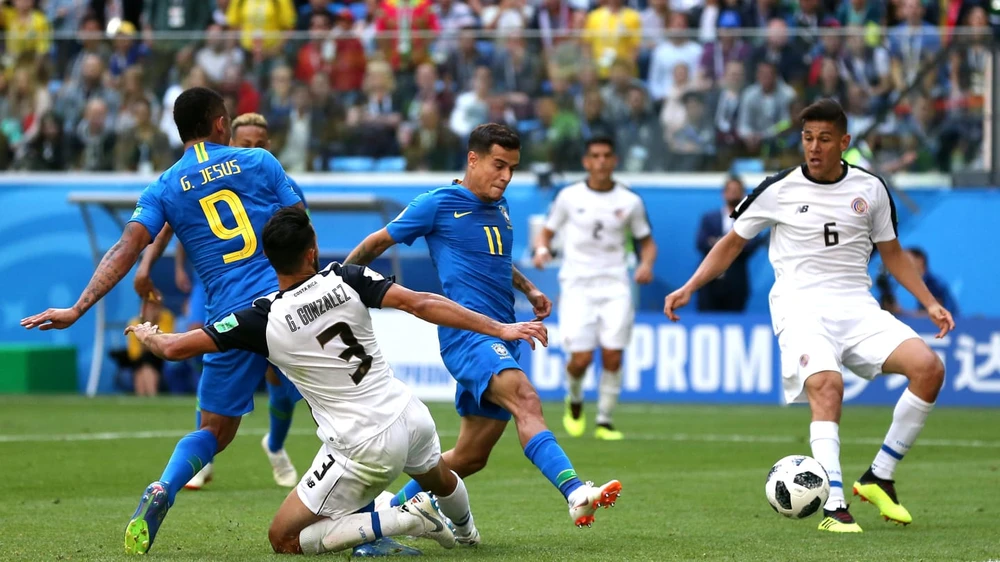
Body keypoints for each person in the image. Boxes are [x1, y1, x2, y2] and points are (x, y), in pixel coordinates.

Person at [123, 207, 550, 554]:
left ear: (269, 259)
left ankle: (403, 519)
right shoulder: (347, 277)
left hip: (362, 446)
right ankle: (468, 533)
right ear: (312, 251)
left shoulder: (260, 318)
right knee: (439, 476)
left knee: (283, 537)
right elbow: (421, 303)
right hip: (410, 414)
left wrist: (148, 333)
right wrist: (500, 328)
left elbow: (176, 348)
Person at [22, 86, 306, 555]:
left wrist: (77, 308)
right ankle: (364, 524)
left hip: (227, 318)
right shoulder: (260, 162)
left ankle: (164, 487)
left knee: (213, 431)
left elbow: (125, 248)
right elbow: (299, 226)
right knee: (343, 410)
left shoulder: (165, 186)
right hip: (284, 302)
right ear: (221, 124)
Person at [663, 99, 954, 533]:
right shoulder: (777, 189)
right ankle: (834, 505)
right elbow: (731, 243)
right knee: (827, 385)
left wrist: (928, 302)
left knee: (929, 368)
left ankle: (879, 476)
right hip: (800, 307)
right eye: (808, 138)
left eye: (824, 139)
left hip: (857, 308)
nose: (814, 148)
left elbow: (892, 253)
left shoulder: (871, 189)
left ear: (845, 142)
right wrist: (690, 286)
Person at [343, 123, 622, 537]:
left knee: (470, 457)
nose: (506, 176)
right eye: (499, 165)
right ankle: (575, 492)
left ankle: (391, 510)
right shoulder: (437, 203)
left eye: (512, 168)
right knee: (526, 400)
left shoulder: (500, 207)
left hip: (503, 333)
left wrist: (529, 289)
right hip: (468, 336)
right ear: (473, 159)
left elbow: (496, 261)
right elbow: (376, 243)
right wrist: (335, 284)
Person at [134, 112, 311, 491]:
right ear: (229, 140)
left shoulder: (273, 176)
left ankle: (275, 445)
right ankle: (206, 456)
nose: (252, 148)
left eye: (259, 144)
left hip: (269, 287)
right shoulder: (203, 179)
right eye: (245, 143)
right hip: (216, 286)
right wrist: (157, 266)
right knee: (199, 341)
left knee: (276, 376)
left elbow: (302, 233)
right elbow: (170, 225)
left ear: (267, 145)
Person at [531, 136, 657, 440]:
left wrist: (646, 265)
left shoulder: (630, 201)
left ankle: (604, 420)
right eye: (595, 156)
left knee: (613, 355)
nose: (601, 161)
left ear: (614, 161)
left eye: (606, 155)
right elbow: (546, 233)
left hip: (615, 285)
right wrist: (542, 250)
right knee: (581, 359)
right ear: (586, 162)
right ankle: (574, 399)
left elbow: (647, 242)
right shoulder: (569, 196)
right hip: (577, 286)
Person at [694, 175, 766, 312]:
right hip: (709, 282)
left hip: (736, 281)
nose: (733, 194)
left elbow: (751, 245)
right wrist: (734, 245)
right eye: (730, 190)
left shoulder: (750, 219)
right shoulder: (709, 218)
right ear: (724, 193)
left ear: (743, 194)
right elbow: (701, 243)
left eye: (736, 190)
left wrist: (719, 242)